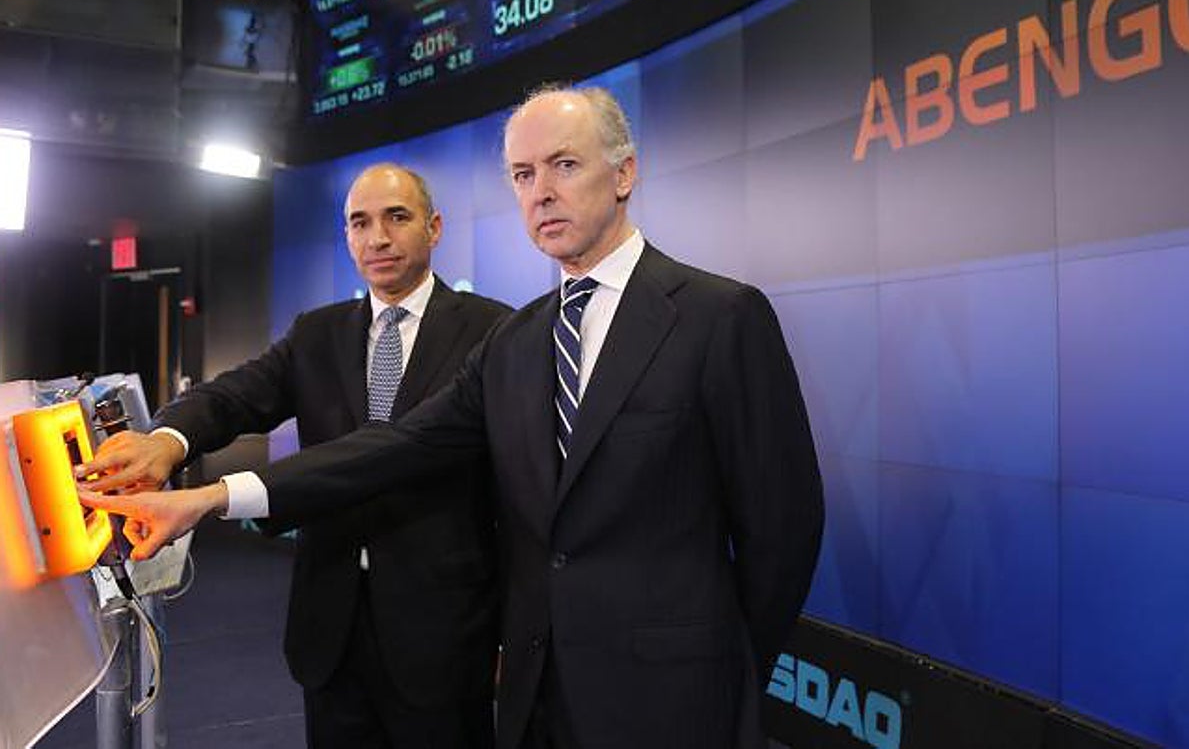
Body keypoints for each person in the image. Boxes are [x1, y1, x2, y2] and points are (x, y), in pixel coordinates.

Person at [83, 85, 825, 749]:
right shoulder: (519, 341)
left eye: (564, 166)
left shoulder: (719, 316)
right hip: (539, 694)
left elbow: (783, 529)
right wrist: (212, 496)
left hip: (672, 699)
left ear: (624, 174)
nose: (541, 193)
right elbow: (395, 446)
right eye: (523, 175)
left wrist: (722, 666)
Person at [83, 164, 511, 748]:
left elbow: (514, 496)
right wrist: (167, 438)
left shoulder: (495, 331)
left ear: (434, 228)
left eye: (397, 217)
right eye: (360, 223)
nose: (377, 238)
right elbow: (235, 395)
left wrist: (512, 634)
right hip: (329, 629)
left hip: (444, 632)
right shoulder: (318, 333)